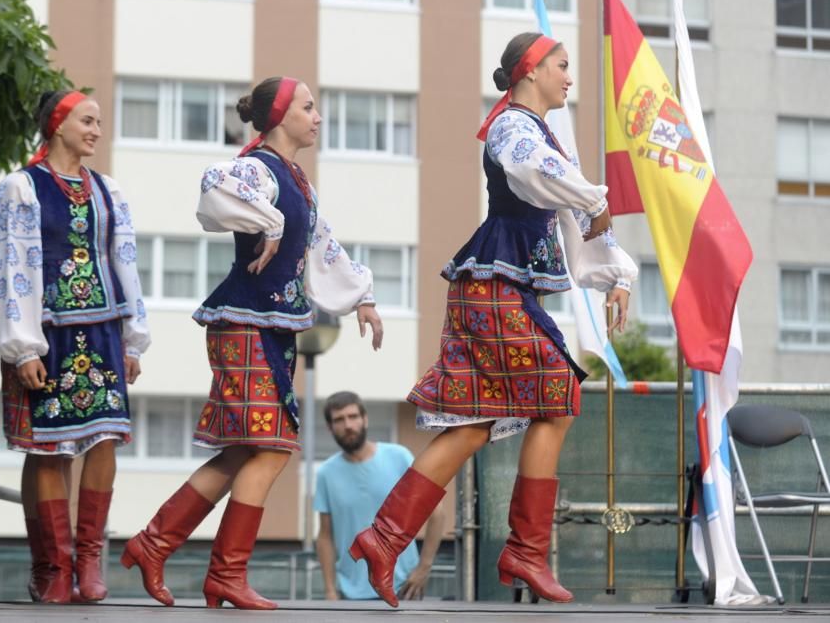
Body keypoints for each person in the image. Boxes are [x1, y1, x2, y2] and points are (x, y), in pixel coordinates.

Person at [349, 32, 638, 607]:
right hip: (494, 290)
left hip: (500, 290)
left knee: (476, 424)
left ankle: (385, 539)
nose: (569, 77)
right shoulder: (513, 128)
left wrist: (617, 274)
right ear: (530, 72)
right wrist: (592, 198)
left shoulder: (544, 138)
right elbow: (542, 178)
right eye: (561, 66)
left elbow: (572, 228)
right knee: (558, 397)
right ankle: (524, 551)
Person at [120, 76, 384, 610]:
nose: (318, 116)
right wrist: (268, 221)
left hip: (272, 327)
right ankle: (224, 572)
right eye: (309, 107)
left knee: (244, 449)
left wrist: (362, 296)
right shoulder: (255, 166)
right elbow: (214, 186)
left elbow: (321, 243)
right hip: (244, 323)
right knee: (274, 447)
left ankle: (155, 544)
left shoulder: (296, 179)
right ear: (281, 114)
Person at [0, 90, 150, 604]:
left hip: (103, 328)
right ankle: (52, 567)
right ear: (57, 125)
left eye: (99, 121)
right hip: (45, 332)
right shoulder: (20, 189)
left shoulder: (107, 191)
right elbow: (5, 266)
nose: (97, 130)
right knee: (48, 447)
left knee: (104, 439)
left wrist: (133, 338)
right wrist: (21, 346)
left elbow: (125, 262)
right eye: (87, 120)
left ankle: (88, 560)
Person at [315, 391, 445, 601]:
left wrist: (423, 567)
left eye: (353, 416)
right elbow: (325, 537)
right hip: (350, 594)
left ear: (365, 419)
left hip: (404, 587)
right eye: (339, 419)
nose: (348, 425)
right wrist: (330, 590)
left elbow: (436, 513)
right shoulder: (325, 473)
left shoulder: (399, 456)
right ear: (330, 428)